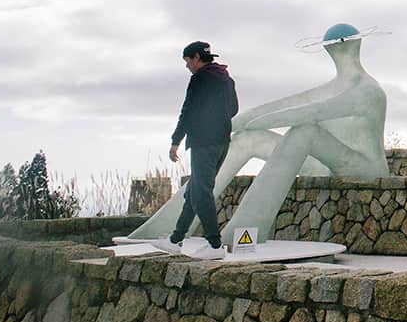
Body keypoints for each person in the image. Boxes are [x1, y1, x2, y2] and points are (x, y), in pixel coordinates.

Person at [133, 23, 390, 246]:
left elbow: (311, 112)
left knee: (305, 131)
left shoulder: (369, 91)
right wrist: (237, 124)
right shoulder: (333, 87)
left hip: (364, 167)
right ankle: (167, 229)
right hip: (328, 165)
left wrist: (253, 121)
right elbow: (288, 104)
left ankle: (238, 233)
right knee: (248, 139)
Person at [166, 41, 238, 256]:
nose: (187, 65)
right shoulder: (227, 80)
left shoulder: (199, 79)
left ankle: (215, 245)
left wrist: (175, 140)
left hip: (203, 142)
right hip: (222, 142)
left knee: (201, 192)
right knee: (194, 191)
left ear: (197, 57)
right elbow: (233, 109)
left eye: (187, 60)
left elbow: (187, 111)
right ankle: (175, 239)